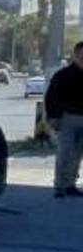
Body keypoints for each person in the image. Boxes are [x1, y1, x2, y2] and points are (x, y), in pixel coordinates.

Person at [45, 41, 83, 198]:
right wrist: (53, 117)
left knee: (77, 154)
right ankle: (59, 186)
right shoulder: (63, 75)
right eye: (81, 55)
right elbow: (51, 97)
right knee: (64, 153)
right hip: (67, 119)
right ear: (75, 55)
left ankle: (70, 185)